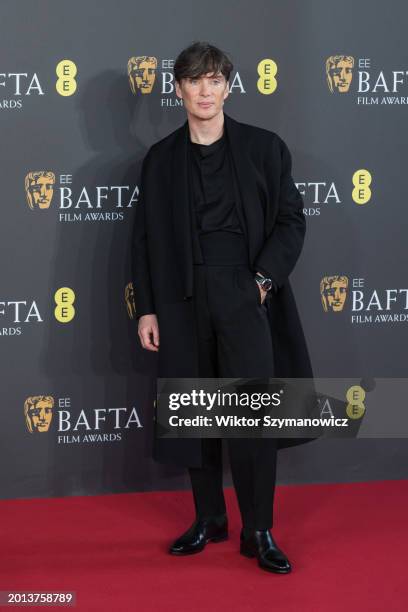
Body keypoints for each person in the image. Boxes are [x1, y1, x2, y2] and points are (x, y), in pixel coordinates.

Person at [131, 41, 314, 574]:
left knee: (254, 415)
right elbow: (143, 239)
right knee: (196, 411)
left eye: (214, 80)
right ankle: (210, 518)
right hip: (181, 297)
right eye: (194, 81)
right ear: (179, 89)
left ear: (229, 86)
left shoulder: (264, 148)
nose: (205, 91)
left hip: (244, 290)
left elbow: (291, 220)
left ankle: (259, 528)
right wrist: (147, 308)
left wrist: (261, 282)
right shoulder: (161, 158)